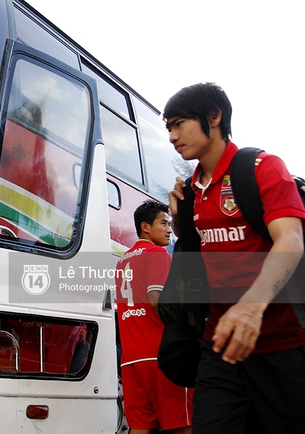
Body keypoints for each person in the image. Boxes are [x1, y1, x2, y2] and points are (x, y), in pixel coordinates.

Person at [165, 82, 305, 433]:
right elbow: (201, 249)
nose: (172, 135)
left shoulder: (262, 167)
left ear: (214, 116)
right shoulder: (191, 189)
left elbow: (290, 240)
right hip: (220, 346)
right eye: (168, 127)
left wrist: (251, 307)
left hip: (282, 344)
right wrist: (181, 221)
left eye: (179, 123)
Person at [115, 200, 193, 434]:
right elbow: (157, 300)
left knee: (140, 428)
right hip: (162, 356)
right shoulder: (157, 254)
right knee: (182, 425)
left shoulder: (121, 262)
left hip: (130, 360)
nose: (169, 229)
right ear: (145, 227)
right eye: (164, 223)